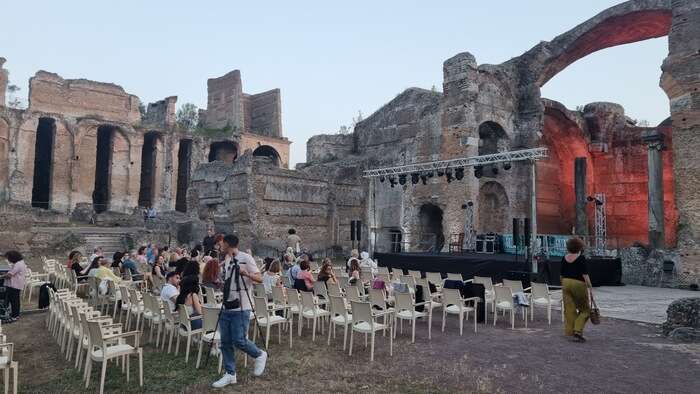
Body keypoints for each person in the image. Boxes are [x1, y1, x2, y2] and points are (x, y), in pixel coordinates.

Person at [212, 234, 267, 388]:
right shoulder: (228, 260)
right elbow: (229, 283)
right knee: (225, 342)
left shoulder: (246, 258)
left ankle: (259, 354)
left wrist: (246, 274)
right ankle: (230, 374)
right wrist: (220, 284)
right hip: (227, 305)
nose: (220, 246)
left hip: (242, 306)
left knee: (239, 340)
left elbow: (259, 278)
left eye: (222, 243)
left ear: (228, 244)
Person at [561, 237, 594, 342]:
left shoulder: (564, 258)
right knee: (585, 309)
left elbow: (561, 275)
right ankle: (578, 330)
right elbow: (585, 274)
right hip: (578, 284)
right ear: (580, 247)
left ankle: (570, 331)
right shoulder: (581, 258)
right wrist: (590, 286)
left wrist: (563, 284)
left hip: (565, 283)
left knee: (569, 309)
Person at [3, 251, 27, 322]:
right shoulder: (19, 263)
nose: (8, 260)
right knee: (14, 300)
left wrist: (1, 276)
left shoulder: (18, 264)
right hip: (15, 285)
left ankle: (15, 316)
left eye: (9, 258)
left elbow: (10, 275)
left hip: (15, 285)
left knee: (14, 301)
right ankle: (15, 314)